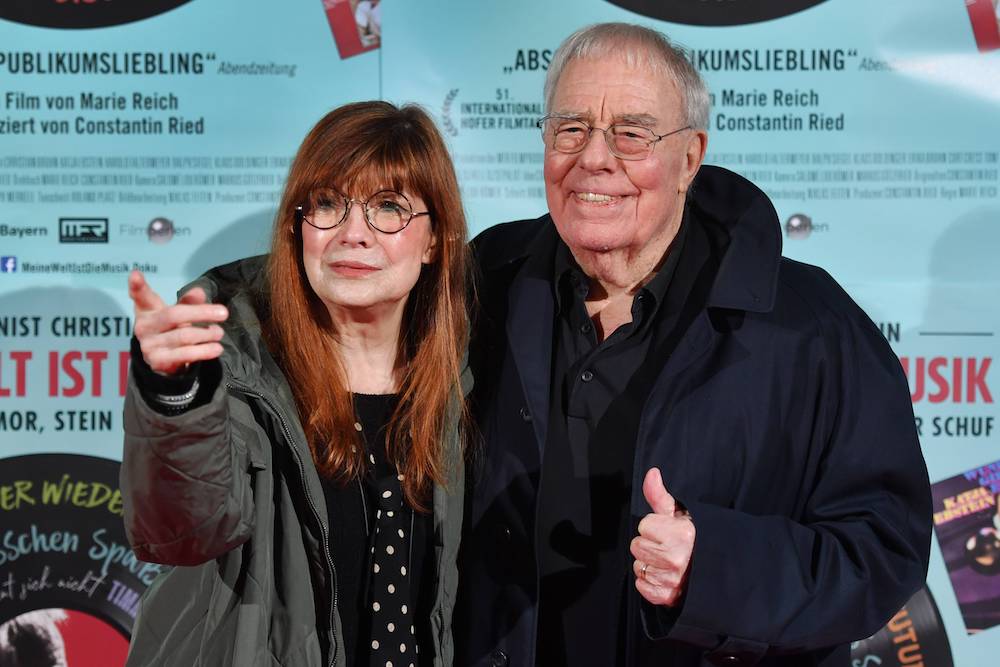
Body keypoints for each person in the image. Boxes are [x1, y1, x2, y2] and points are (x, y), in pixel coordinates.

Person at [456, 22, 931, 667]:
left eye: (632, 133)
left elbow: (881, 551)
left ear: (689, 158)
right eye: (570, 128)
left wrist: (712, 569)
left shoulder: (810, 327)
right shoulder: (483, 286)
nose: (594, 158)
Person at [121, 101, 471, 667]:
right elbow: (181, 530)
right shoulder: (235, 366)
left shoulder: (470, 379)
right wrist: (176, 397)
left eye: (388, 208)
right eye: (328, 204)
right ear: (297, 226)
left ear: (434, 241)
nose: (352, 234)